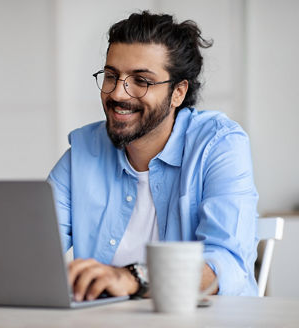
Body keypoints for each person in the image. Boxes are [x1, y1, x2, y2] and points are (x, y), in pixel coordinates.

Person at [48, 11, 259, 301]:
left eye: (141, 80)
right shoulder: (83, 152)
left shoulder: (219, 144)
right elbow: (32, 252)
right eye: (111, 76)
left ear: (178, 93)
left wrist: (133, 278)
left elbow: (226, 264)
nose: (119, 93)